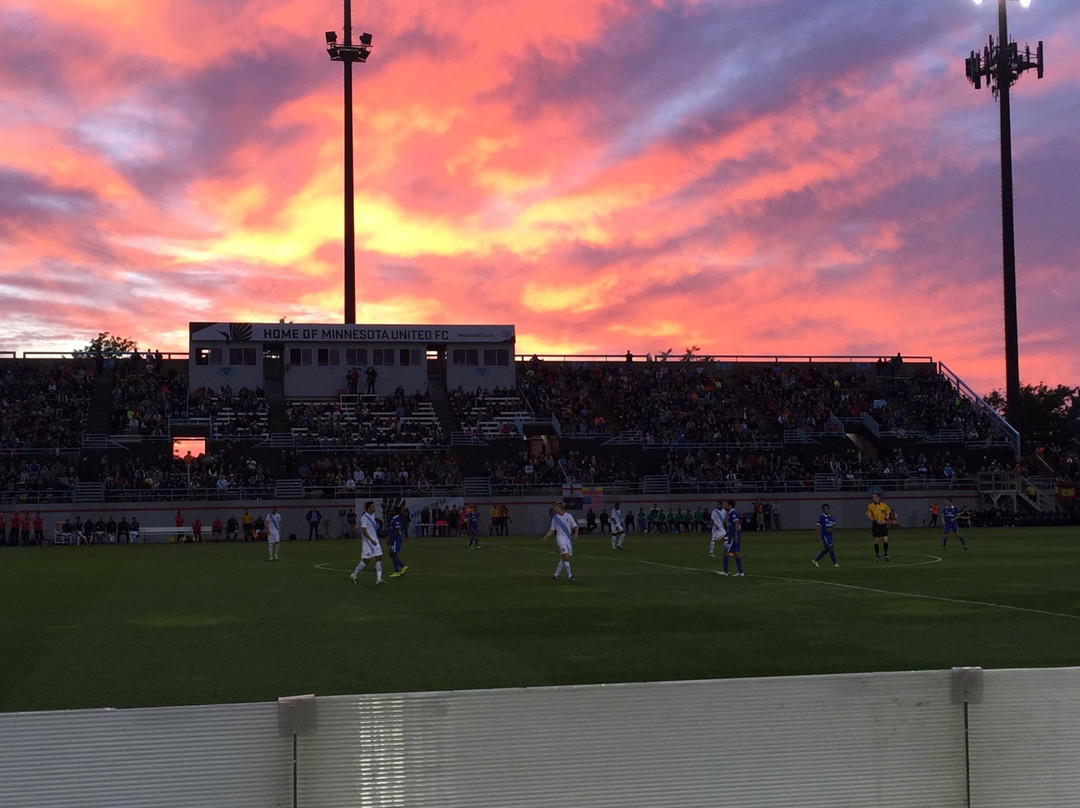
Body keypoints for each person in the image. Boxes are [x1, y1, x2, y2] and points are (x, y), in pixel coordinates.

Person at [541, 500, 577, 583]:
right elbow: (552, 530)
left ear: (560, 508)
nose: (555, 509)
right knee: (566, 556)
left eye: (556, 507)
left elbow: (574, 526)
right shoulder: (555, 518)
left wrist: (575, 534)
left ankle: (556, 575)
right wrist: (546, 537)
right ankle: (570, 576)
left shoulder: (569, 516)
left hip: (568, 539)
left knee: (565, 558)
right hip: (560, 539)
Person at [350, 501, 386, 584]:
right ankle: (354, 574)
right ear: (369, 508)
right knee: (366, 561)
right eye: (373, 507)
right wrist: (371, 540)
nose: (374, 508)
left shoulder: (372, 515)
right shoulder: (364, 518)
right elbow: (364, 531)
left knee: (379, 558)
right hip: (368, 543)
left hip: (375, 541)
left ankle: (379, 579)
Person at [716, 499, 743, 577]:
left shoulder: (733, 513)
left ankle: (725, 571)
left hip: (733, 538)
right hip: (732, 536)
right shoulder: (731, 513)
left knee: (725, 552)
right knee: (736, 553)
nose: (725, 506)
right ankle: (740, 572)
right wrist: (725, 536)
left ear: (730, 505)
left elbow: (736, 524)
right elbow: (731, 527)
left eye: (726, 505)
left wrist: (734, 536)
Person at [866, 491, 891, 562]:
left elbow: (888, 513)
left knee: (886, 540)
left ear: (878, 497)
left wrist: (885, 520)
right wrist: (875, 521)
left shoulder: (884, 505)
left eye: (875, 497)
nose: (873, 498)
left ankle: (886, 553)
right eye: (873, 497)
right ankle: (877, 555)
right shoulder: (870, 506)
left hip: (883, 524)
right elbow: (868, 515)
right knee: (876, 541)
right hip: (876, 525)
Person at [812, 503, 839, 567]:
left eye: (827, 509)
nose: (826, 510)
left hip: (830, 535)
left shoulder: (831, 517)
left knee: (827, 549)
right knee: (831, 548)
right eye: (825, 509)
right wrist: (817, 535)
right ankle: (835, 563)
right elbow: (817, 527)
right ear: (823, 510)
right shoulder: (821, 517)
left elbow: (834, 525)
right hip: (825, 535)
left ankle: (815, 560)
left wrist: (831, 529)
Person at [387, 506, 409, 577]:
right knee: (391, 554)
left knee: (393, 554)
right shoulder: (393, 519)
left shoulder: (396, 518)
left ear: (395, 512)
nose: (390, 512)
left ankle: (397, 571)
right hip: (394, 539)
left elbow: (397, 530)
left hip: (396, 539)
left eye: (392, 511)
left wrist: (391, 539)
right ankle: (403, 566)